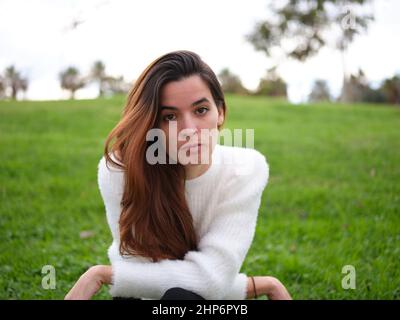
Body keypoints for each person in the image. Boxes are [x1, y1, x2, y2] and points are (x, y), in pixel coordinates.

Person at [65, 50, 292, 300]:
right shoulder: (121, 171)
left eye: (201, 110)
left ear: (221, 112)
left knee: (180, 298)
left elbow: (210, 280)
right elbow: (139, 275)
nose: (189, 130)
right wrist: (260, 286)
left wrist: (102, 274)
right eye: (170, 117)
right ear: (152, 124)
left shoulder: (245, 169)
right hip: (142, 298)